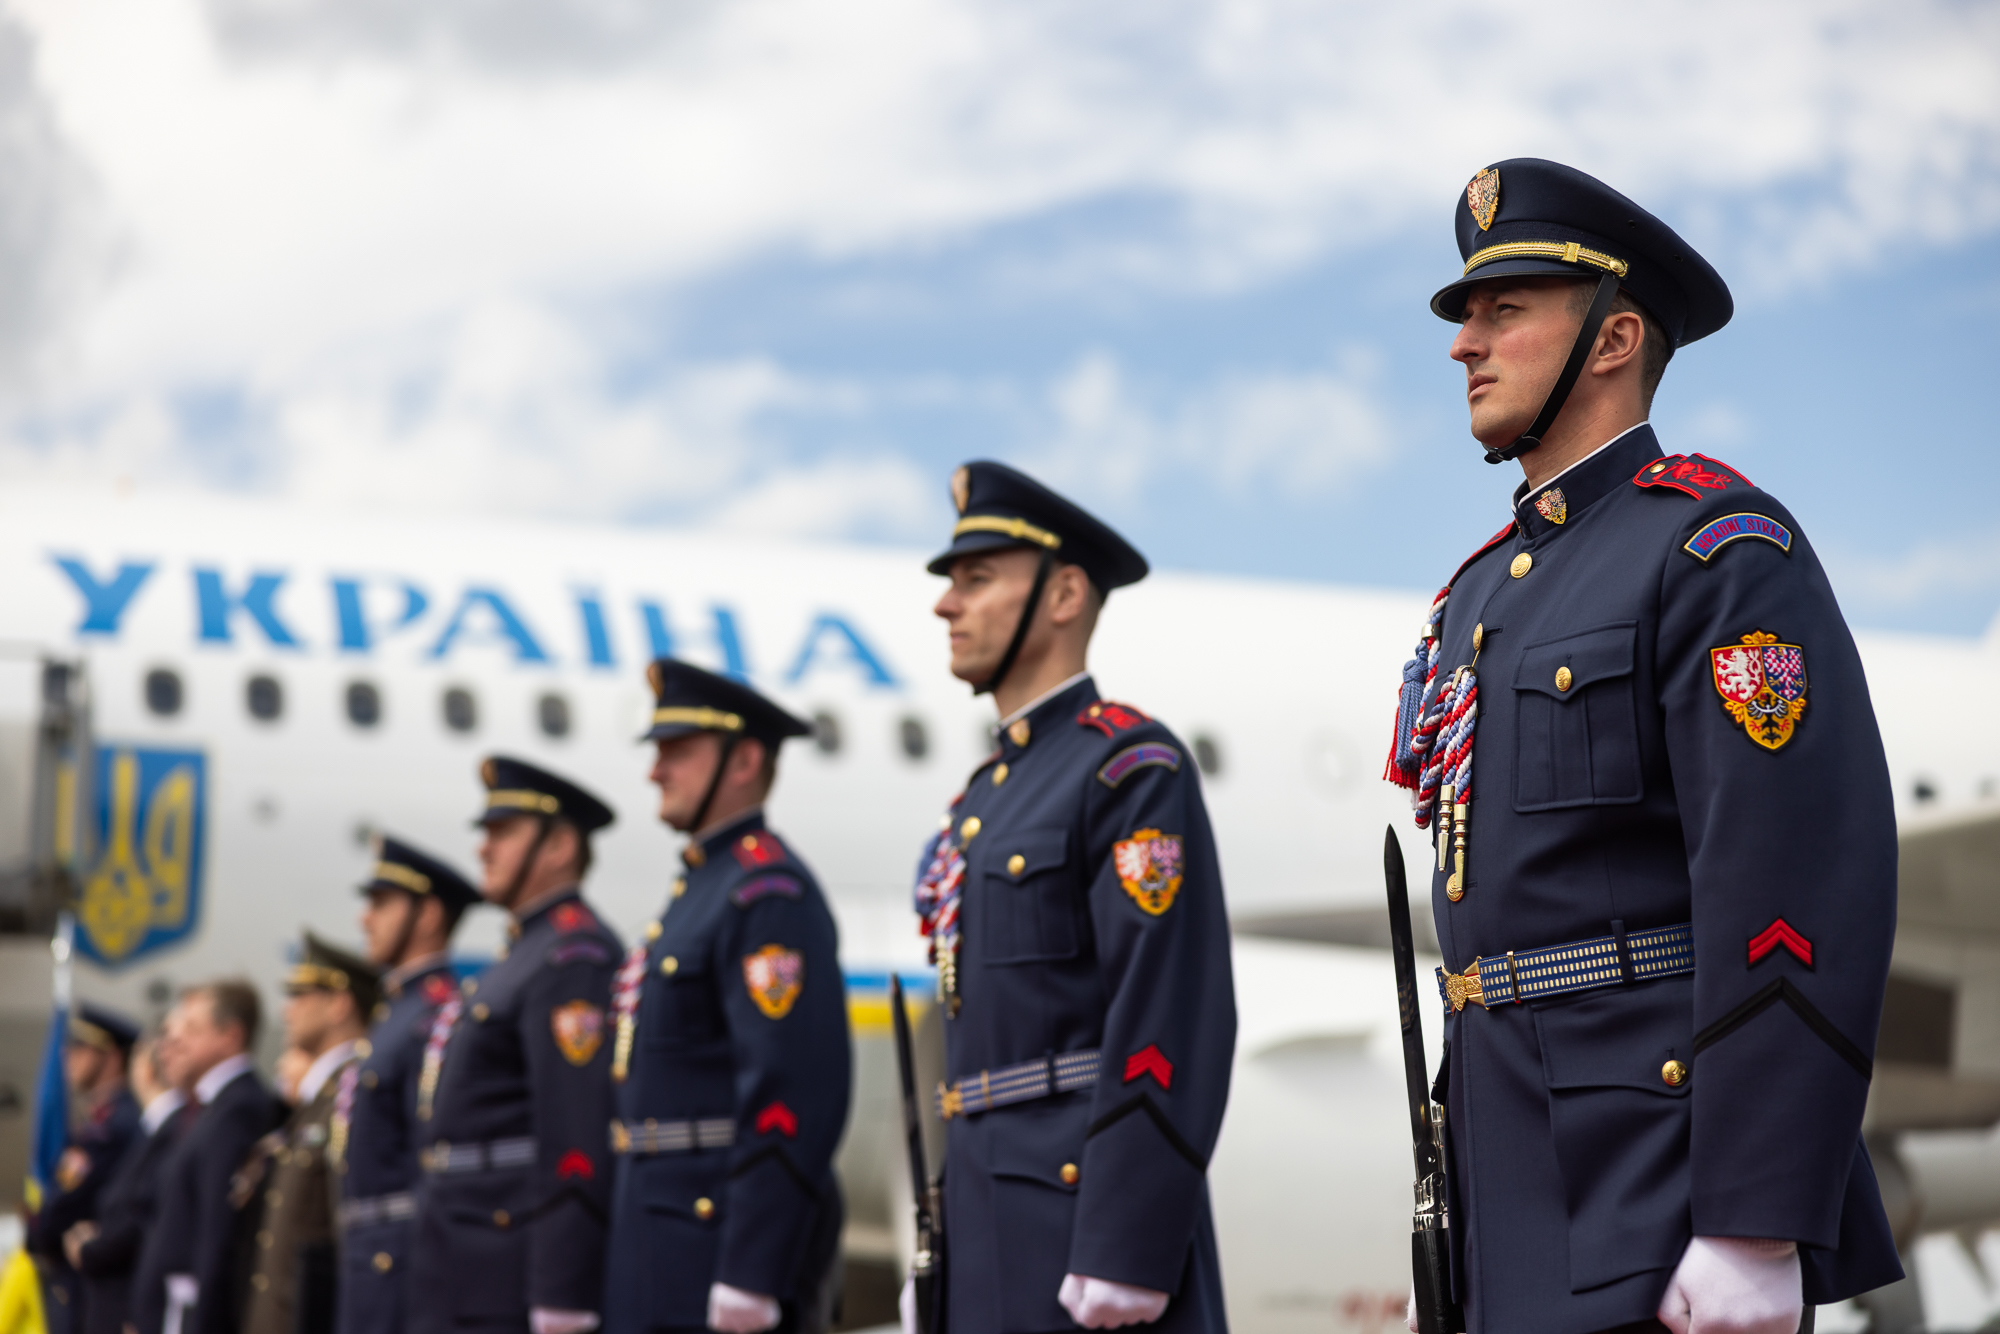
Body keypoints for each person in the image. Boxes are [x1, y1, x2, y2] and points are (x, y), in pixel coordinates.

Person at [1383, 158, 1903, 1334]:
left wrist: (1754, 1214)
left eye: (1502, 309)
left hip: (1656, 1188)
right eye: (1466, 313)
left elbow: (1789, 888)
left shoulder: (1719, 550)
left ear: (1613, 338)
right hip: (1502, 1195)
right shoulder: (1476, 597)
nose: (1463, 343)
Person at [907, 461, 1236, 1334]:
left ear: (1063, 595)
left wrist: (1127, 1243)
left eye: (977, 579)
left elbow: (1167, 1013)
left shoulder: (1128, 768)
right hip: (982, 1231)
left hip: (1080, 1234)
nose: (946, 604)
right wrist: (937, 1252)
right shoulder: (980, 801)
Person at [602, 660, 851, 1334]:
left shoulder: (766, 894)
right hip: (659, 1245)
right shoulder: (701, 890)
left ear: (743, 761)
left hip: (714, 1253)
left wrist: (752, 1270)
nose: (655, 771)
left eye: (677, 751)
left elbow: (791, 1094)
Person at [409, 758, 621, 1334]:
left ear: (559, 847)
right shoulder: (525, 954)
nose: (483, 848)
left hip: (508, 1270)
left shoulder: (573, 956)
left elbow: (576, 1134)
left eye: (502, 833)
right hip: (465, 1260)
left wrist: (564, 1290)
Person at [336, 836, 483, 1334]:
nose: (365, 919)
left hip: (401, 1266)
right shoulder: (400, 1010)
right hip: (370, 1259)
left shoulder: (435, 1016)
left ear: (428, 915)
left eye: (381, 903)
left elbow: (431, 1161)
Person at [240, 936, 380, 1334]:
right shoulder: (320, 1098)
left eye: (300, 995)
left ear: (339, 1004)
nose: (286, 1011)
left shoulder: (354, 1092)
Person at [131, 981, 283, 1334]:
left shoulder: (238, 1109)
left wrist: (202, 1323)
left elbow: (217, 1231)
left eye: (192, 1029)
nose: (174, 1040)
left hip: (192, 1313)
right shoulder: (211, 1108)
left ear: (230, 1036)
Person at [26, 1004, 142, 1334]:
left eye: (80, 1047)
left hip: (89, 1282)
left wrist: (39, 1235)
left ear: (112, 1056)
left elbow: (63, 1208)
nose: (67, 1056)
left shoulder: (116, 1126)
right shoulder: (99, 1122)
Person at [66, 1032, 191, 1334]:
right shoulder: (152, 1130)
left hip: (127, 1303)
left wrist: (90, 1247)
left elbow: (140, 1217)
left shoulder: (168, 1131)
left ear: (146, 1070)